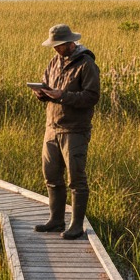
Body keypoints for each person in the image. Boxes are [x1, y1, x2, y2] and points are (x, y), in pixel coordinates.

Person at [31, 23, 100, 240]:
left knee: (76, 179)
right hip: (51, 128)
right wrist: (42, 94)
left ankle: (76, 225)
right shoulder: (54, 62)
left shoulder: (87, 64)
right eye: (54, 46)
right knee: (51, 175)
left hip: (74, 130)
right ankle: (56, 220)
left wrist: (61, 95)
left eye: (59, 46)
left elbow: (92, 97)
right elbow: (48, 86)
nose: (56, 49)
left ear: (71, 43)